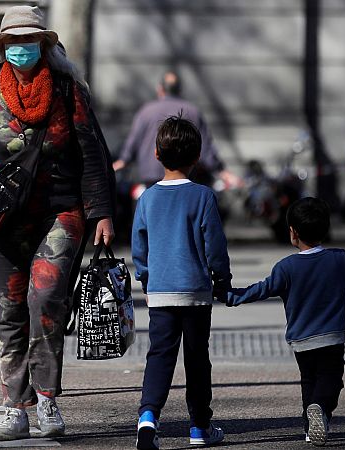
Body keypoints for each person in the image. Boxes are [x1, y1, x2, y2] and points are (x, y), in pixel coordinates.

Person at [0, 5, 115, 442]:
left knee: (47, 300)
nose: (22, 48)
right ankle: (15, 408)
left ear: (45, 45)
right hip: (3, 220)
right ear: (2, 47)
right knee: (10, 310)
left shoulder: (67, 90)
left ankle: (48, 399)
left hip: (61, 212)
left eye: (29, 41)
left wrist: (102, 212)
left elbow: (92, 154)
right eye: (13, 42)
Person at [224, 197, 345, 446]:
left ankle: (310, 428)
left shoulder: (285, 267)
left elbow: (261, 290)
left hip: (300, 340)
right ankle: (320, 409)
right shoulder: (340, 259)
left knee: (308, 380)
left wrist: (233, 295)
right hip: (330, 338)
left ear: (293, 233)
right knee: (331, 381)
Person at [131, 114, 231, 449]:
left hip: (160, 291)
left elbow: (139, 247)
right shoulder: (203, 197)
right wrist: (222, 279)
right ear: (197, 157)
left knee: (159, 355)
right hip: (195, 291)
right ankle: (200, 427)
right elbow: (214, 245)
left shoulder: (146, 198)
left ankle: (148, 418)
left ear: (156, 154)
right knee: (197, 359)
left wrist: (145, 277)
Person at [113, 71, 241, 188]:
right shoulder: (193, 111)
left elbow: (132, 143)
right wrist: (221, 170)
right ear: (179, 90)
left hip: (151, 178)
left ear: (160, 89)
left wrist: (121, 161)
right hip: (184, 179)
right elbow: (206, 148)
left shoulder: (145, 111)